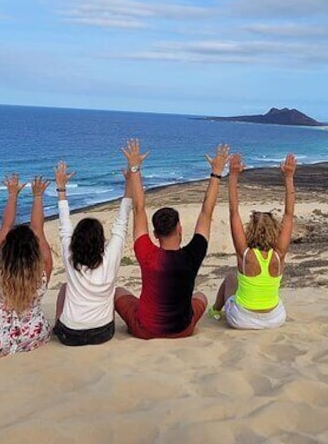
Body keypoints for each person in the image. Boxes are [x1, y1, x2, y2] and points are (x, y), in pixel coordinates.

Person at [114, 139, 229, 339]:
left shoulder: (146, 252)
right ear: (180, 229)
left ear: (155, 234)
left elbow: (139, 209)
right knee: (201, 296)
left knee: (117, 292)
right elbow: (206, 213)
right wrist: (216, 173)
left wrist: (135, 168)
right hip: (183, 329)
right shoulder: (193, 254)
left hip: (145, 330)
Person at [0, 174, 53, 357]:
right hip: (32, 337)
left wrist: (12, 194)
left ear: (6, 249)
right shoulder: (42, 273)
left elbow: (5, 227)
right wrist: (38, 196)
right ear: (34, 251)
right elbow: (38, 230)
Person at [210, 152, 296, 329]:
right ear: (274, 230)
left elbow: (234, 212)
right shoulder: (279, 255)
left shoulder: (245, 254)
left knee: (231, 278)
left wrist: (233, 176)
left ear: (250, 229)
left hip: (242, 319)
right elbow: (289, 214)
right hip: (275, 319)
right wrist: (288, 178)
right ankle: (219, 310)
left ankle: (215, 311)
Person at [52, 157, 132, 346]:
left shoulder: (70, 255)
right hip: (103, 333)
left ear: (75, 240)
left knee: (65, 287)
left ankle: (57, 327)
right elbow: (123, 221)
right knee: (112, 290)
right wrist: (130, 181)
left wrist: (61, 189)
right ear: (101, 240)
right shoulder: (111, 256)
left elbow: (64, 223)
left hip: (70, 335)